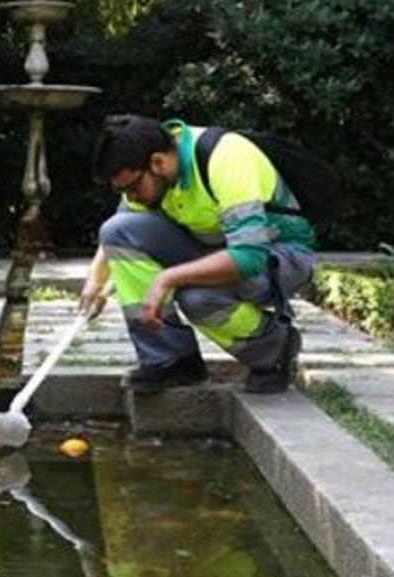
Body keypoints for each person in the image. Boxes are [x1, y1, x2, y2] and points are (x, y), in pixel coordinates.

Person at [82, 114, 318, 394]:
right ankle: (171, 361)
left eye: (131, 188)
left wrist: (168, 278)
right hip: (214, 247)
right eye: (122, 190)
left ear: (157, 162)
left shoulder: (226, 158)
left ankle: (275, 349)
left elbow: (249, 256)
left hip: (279, 255)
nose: (129, 197)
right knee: (117, 230)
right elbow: (120, 230)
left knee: (199, 299)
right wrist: (95, 283)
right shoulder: (152, 169)